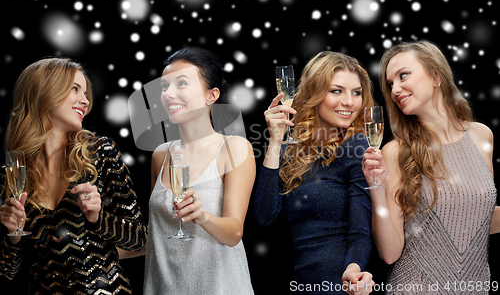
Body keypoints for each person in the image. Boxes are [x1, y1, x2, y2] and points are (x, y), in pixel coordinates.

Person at [362, 40, 500, 294]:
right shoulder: (395, 152)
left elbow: (478, 217)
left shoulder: (482, 137)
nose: (395, 90)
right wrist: (375, 186)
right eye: (390, 84)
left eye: (403, 76)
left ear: (436, 75)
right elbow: (390, 253)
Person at [0, 58, 147, 294]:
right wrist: (12, 236)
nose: (85, 101)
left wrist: (98, 218)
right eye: (74, 89)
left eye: (86, 93)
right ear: (43, 91)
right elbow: (7, 272)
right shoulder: (16, 173)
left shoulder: (100, 153)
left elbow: (140, 239)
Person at [254, 51, 375, 295]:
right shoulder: (291, 153)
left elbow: (360, 232)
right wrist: (275, 143)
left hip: (340, 285)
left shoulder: (357, 146)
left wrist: (354, 268)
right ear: (315, 94)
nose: (349, 102)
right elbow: (263, 217)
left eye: (356, 92)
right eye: (337, 91)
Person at [141, 47, 255, 294]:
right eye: (164, 86)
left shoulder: (234, 148)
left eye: (181, 83)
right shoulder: (161, 154)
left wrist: (202, 216)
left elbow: (234, 232)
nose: (169, 93)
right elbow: (156, 236)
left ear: (211, 95)